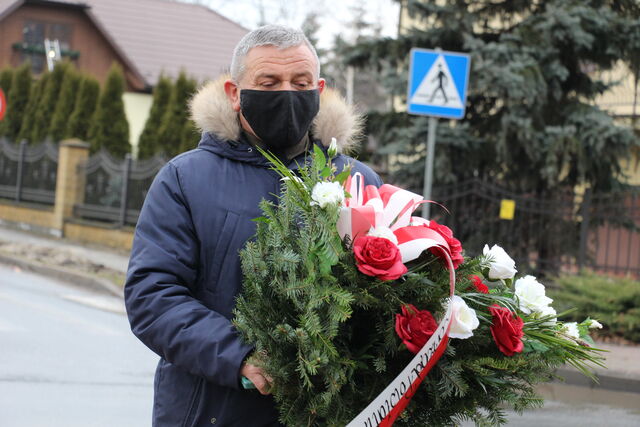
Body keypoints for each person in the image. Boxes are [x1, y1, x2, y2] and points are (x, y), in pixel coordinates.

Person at [125, 25, 382, 427]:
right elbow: (152, 296)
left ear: (319, 89)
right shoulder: (185, 179)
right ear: (235, 93)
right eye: (269, 82)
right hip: (212, 410)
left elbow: (385, 291)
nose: (287, 94)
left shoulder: (357, 182)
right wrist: (241, 356)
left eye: (300, 83)